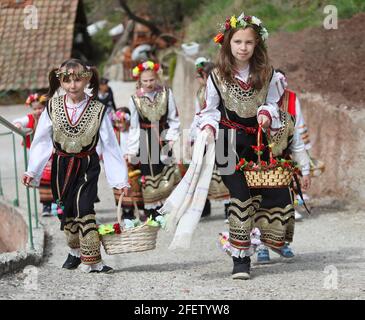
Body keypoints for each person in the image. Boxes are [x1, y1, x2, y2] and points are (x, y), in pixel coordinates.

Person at [193, 13, 296, 280]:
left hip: (256, 143)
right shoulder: (216, 76)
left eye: (248, 42)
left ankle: (259, 243)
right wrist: (207, 128)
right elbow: (210, 110)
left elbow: (273, 103)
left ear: (257, 44)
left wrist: (266, 113)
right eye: (237, 41)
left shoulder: (268, 74)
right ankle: (241, 261)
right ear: (227, 43)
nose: (242, 47)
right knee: (240, 198)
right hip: (226, 144)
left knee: (260, 198)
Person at [21, 58, 129, 273]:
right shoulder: (52, 106)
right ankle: (74, 252)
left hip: (87, 164)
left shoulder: (98, 109)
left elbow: (109, 146)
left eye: (78, 80)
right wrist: (32, 170)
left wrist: (120, 180)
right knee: (66, 211)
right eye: (67, 81)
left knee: (84, 209)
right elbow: (42, 139)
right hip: (61, 165)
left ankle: (94, 261)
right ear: (60, 81)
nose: (72, 85)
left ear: (87, 79)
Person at [255, 70, 311, 264]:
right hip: (258, 169)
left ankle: (279, 242)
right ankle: (262, 246)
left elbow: (297, 144)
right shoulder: (254, 112)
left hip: (282, 169)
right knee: (260, 206)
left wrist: (305, 171)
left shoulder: (289, 114)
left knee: (284, 205)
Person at [126, 60, 181, 219]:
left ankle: (170, 207)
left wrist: (171, 138)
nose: (149, 83)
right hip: (145, 140)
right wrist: (131, 150)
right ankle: (153, 209)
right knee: (149, 171)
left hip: (163, 137)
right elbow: (135, 126)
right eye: (145, 81)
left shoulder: (166, 93)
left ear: (156, 78)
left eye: (152, 80)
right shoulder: (134, 99)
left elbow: (174, 118)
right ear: (139, 81)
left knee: (166, 170)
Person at [190, 57, 230, 219]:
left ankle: (230, 205)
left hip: (220, 131)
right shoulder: (200, 92)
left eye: (202, 76)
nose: (200, 79)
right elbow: (198, 113)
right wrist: (194, 134)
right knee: (203, 169)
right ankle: (204, 205)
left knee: (225, 168)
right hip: (205, 132)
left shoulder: (223, 90)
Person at [13, 93, 53, 216]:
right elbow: (18, 121)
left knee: (57, 177)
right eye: (35, 109)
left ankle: (60, 204)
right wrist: (18, 125)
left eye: (40, 108)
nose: (37, 111)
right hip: (39, 154)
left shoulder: (49, 117)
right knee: (44, 179)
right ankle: (46, 206)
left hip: (51, 152)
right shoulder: (30, 118)